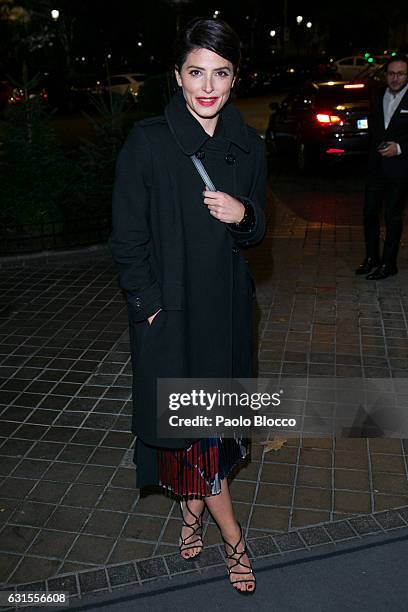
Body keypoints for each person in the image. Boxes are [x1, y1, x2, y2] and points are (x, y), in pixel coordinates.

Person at [110, 17, 267, 594]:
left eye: (220, 74)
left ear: (233, 80)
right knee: (196, 434)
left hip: (224, 317)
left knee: (212, 431)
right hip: (173, 321)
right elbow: (126, 240)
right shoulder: (149, 142)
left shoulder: (248, 145)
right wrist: (150, 307)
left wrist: (243, 214)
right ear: (177, 77)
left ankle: (190, 515)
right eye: (196, 72)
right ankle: (237, 543)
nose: (208, 86)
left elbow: (258, 234)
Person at [355, 54, 408, 280]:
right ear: (386, 75)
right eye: (391, 73)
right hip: (376, 166)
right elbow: (374, 128)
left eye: (400, 74)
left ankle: (389, 263)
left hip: (400, 168)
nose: (395, 78)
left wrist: (400, 148)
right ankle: (371, 258)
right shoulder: (377, 95)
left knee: (393, 216)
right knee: (369, 214)